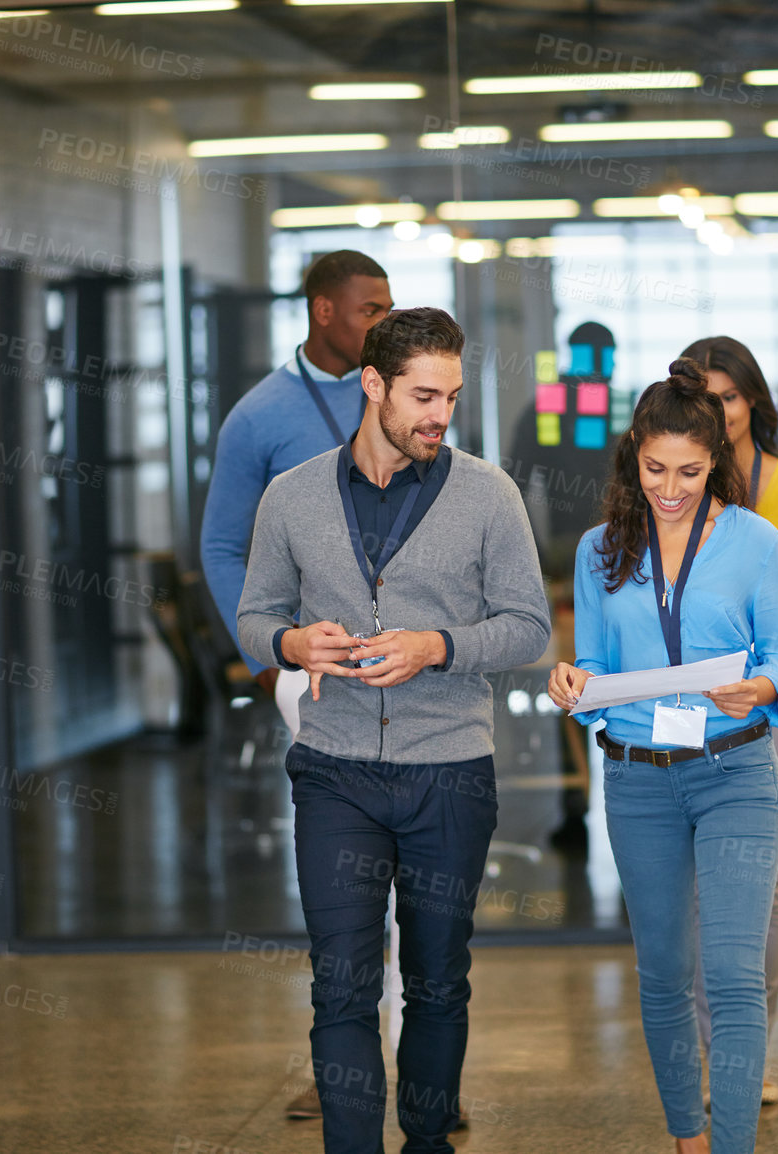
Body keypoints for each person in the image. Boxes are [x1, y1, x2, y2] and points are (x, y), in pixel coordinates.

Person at [237, 307, 550, 1153]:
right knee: (341, 986)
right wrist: (291, 643)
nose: (439, 415)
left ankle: (427, 1142)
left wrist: (437, 648)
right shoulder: (291, 495)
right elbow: (254, 615)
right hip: (335, 771)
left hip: (449, 773)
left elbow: (529, 629)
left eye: (449, 395)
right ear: (373, 386)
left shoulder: (490, 494)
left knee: (438, 982)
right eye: (422, 395)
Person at [548, 359, 778, 1154]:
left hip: (735, 772)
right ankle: (685, 1137)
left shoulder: (755, 541)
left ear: (715, 460)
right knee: (662, 974)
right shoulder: (599, 550)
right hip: (636, 780)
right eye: (656, 468)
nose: (672, 487)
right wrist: (572, 680)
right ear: (634, 454)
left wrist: (759, 689)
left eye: (690, 471)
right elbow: (592, 661)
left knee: (731, 978)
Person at [682, 338, 778, 1108]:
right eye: (703, 398)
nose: (718, 412)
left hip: (774, 704)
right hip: (685, 706)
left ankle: (748, 1048)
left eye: (730, 397)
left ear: (753, 403)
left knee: (764, 882)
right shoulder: (671, 485)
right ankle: (710, 1049)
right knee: (697, 885)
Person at [201, 249, 393, 729]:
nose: (384, 325)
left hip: (403, 654)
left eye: (389, 310)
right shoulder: (255, 417)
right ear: (323, 311)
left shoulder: (400, 400)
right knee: (335, 800)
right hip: (314, 663)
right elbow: (220, 548)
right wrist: (265, 660)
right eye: (370, 311)